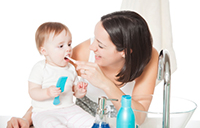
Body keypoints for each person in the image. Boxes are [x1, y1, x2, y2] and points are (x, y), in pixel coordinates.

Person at [7, 10, 158, 128]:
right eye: (94, 38)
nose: (92, 47)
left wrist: (105, 84)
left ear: (125, 51)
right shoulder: (85, 51)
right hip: (76, 118)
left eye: (100, 45)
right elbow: (52, 86)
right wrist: (26, 119)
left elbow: (139, 117)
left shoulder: (149, 57)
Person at [19, 22, 95, 128]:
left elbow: (75, 92)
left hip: (70, 109)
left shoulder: (71, 68)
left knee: (94, 123)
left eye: (69, 44)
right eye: (61, 46)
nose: (68, 49)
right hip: (44, 112)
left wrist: (80, 91)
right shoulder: (40, 68)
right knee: (51, 124)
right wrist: (47, 92)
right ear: (44, 51)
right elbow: (33, 92)